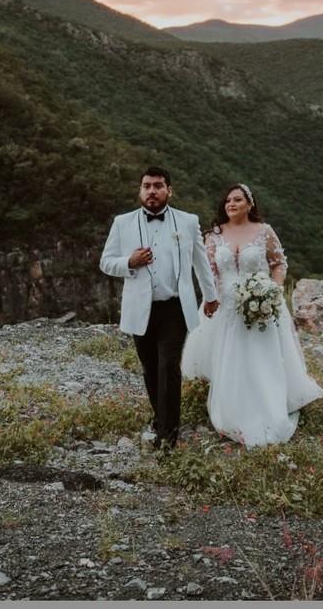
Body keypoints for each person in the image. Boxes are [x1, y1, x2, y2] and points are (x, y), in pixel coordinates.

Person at [181, 183, 323, 447]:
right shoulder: (214, 235)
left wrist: (273, 288)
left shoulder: (264, 231)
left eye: (237, 199)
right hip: (225, 305)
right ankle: (234, 406)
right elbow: (209, 270)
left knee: (261, 357)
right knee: (228, 358)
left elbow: (278, 263)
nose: (231, 204)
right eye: (227, 201)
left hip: (262, 301)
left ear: (250, 204)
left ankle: (267, 403)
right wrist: (211, 297)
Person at [99, 167, 219, 451]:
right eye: (147, 186)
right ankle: (160, 418)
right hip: (140, 309)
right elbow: (105, 262)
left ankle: (169, 435)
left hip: (175, 307)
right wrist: (129, 260)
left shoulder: (188, 222)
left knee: (168, 366)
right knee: (150, 367)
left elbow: (201, 262)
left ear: (169, 190)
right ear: (140, 190)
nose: (152, 191)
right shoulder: (122, 223)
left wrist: (211, 296)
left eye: (158, 186)